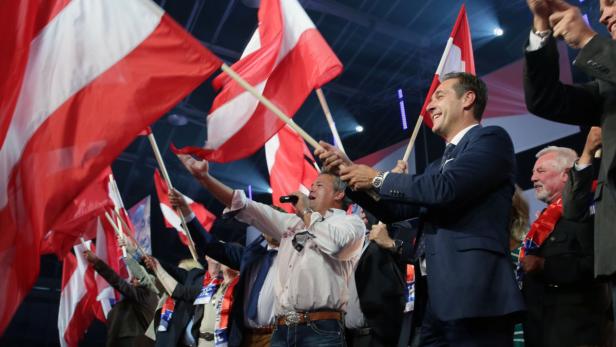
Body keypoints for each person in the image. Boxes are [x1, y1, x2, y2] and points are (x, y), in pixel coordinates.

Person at [316, 72, 525, 346]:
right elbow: (394, 211)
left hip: (475, 296)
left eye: (439, 96)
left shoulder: (491, 139)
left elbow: (445, 188)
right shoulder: (436, 166)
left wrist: (377, 177)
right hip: (433, 302)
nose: (428, 106)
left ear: (468, 99)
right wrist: (349, 174)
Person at [176, 153, 365, 347]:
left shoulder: (351, 224)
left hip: (320, 330)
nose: (311, 189)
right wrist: (205, 178)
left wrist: (306, 213)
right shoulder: (292, 223)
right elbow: (244, 205)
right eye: (312, 185)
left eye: (319, 185)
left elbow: (334, 244)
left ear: (339, 194)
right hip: (282, 329)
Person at [523, 0, 616, 289]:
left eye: (611, 2)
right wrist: (541, 30)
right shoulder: (608, 88)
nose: (602, 15)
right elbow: (545, 99)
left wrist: (589, 41)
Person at [519, 132, 611, 347]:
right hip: (540, 329)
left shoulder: (588, 212)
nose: (533, 178)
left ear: (566, 174)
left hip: (576, 332)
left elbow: (596, 264)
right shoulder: (543, 221)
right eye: (533, 172)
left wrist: (545, 266)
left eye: (541, 171)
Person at [169, 188, 279, 347]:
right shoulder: (250, 255)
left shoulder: (294, 257)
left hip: (277, 337)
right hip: (245, 338)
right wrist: (187, 213)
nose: (269, 225)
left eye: (273, 221)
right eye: (265, 221)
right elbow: (211, 246)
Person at [344, 207, 406, 347]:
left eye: (363, 207)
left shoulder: (394, 234)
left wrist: (391, 244)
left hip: (380, 336)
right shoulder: (352, 246)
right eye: (357, 206)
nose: (360, 210)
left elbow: (409, 259)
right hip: (353, 337)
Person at [84, 249, 158, 347]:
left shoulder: (146, 294)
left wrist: (97, 262)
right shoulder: (136, 298)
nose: (131, 280)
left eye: (136, 277)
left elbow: (118, 282)